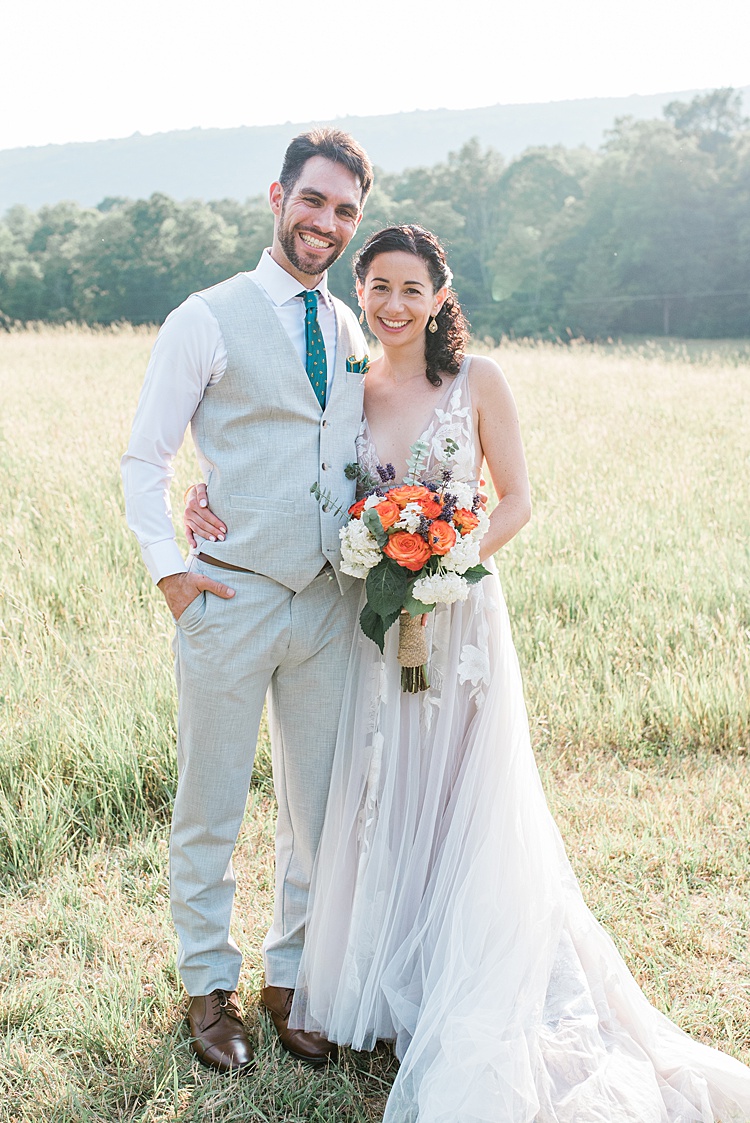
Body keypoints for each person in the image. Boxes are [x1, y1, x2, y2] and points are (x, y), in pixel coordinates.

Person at [186, 224, 750, 1120]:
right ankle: (387, 971)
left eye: (413, 288)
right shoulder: (354, 391)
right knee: (383, 792)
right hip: (379, 625)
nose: (394, 305)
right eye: (377, 287)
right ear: (358, 293)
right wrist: (208, 492)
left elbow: (518, 495)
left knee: (461, 792)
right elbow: (310, 475)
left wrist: (448, 560)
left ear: (441, 294)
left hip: (462, 616)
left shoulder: (479, 380)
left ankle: (465, 972)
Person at [121, 127, 374, 1073]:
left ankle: (293, 976)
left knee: (316, 809)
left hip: (327, 607)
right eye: (314, 201)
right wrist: (171, 573)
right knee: (211, 801)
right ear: (277, 197)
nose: (328, 223)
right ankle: (205, 985)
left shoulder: (351, 328)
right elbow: (144, 458)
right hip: (227, 600)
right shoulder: (207, 317)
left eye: (345, 210)